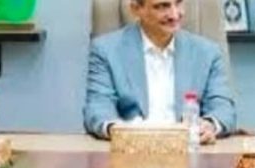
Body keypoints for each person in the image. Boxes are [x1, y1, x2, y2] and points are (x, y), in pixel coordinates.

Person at [83, 0, 236, 143]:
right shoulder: (106, 50)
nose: (174, 15)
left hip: (189, 149)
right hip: (132, 150)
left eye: (178, 2)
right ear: (136, 9)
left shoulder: (207, 52)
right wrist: (117, 129)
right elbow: (98, 107)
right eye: (162, 6)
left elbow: (223, 108)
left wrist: (209, 125)